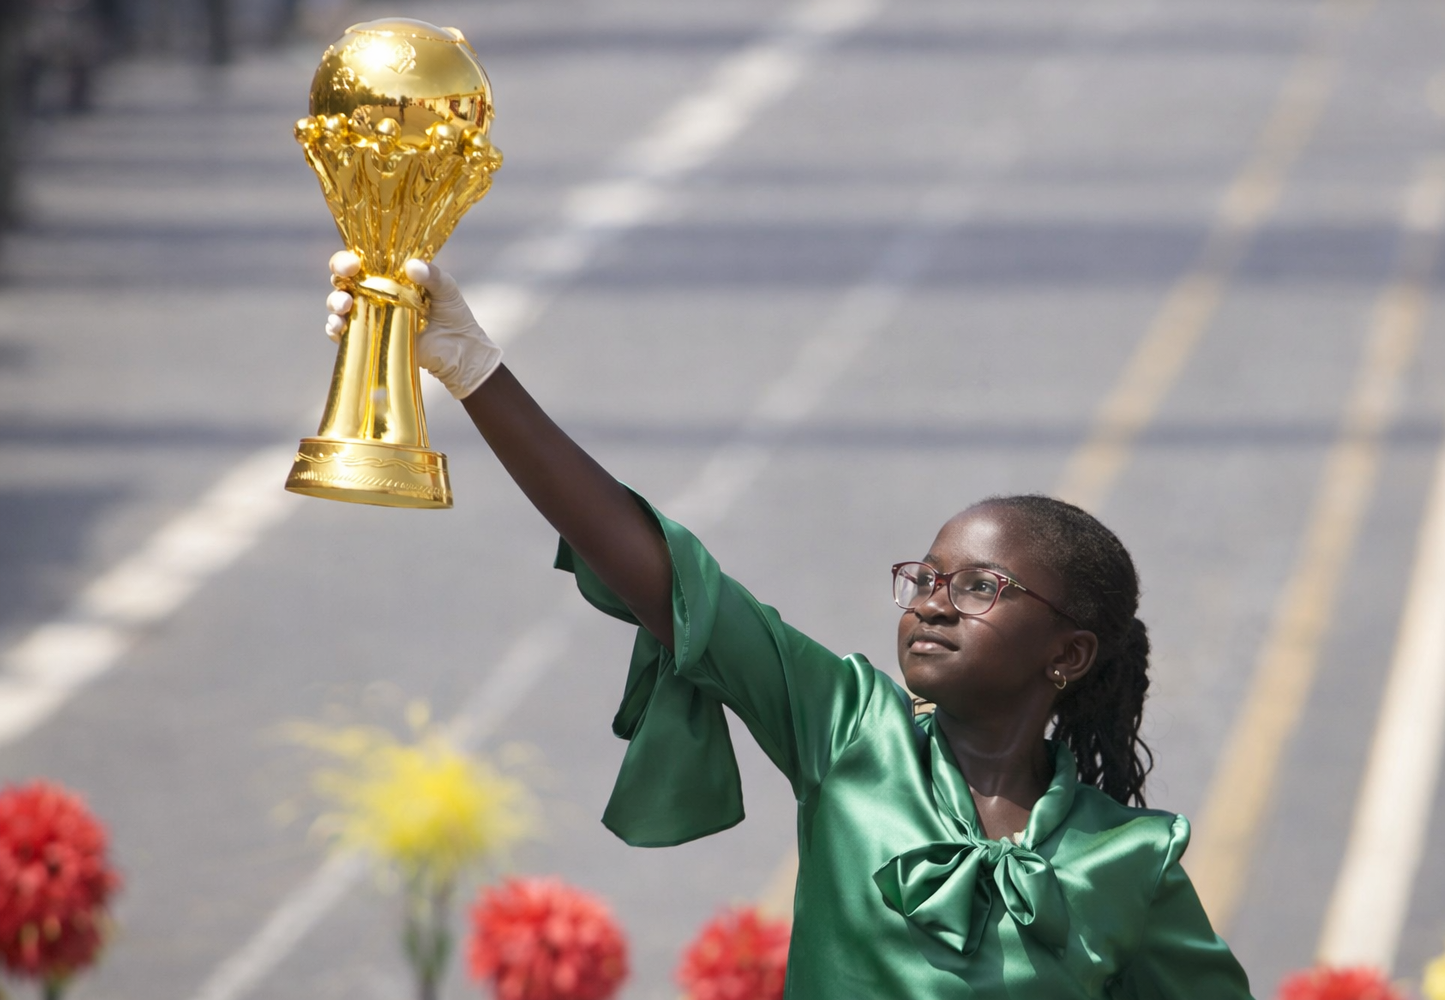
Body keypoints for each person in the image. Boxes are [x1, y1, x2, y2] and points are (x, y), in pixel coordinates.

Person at [323, 251, 1255, 999]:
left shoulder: (1134, 861)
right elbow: (670, 579)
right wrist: (470, 367)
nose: (933, 601)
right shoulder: (851, 732)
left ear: (1070, 654)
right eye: (925, 578)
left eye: (981, 587)